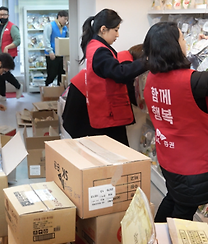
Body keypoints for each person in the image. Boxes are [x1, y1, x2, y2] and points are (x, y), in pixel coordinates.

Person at [141, 22, 208, 223]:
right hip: (191, 164)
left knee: (174, 199)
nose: (184, 41)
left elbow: (180, 73)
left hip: (169, 156)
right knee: (182, 216)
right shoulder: (191, 81)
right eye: (182, 38)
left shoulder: (152, 78)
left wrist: (201, 49)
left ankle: (155, 242)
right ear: (173, 47)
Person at [78, 8, 146, 145]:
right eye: (116, 30)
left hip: (105, 113)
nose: (118, 35)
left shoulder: (94, 46)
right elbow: (119, 73)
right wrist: (146, 62)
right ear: (103, 29)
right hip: (108, 115)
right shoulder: (100, 50)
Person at [62, 44, 142, 139]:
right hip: (84, 100)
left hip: (80, 94)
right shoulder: (126, 62)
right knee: (105, 141)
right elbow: (130, 90)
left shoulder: (121, 57)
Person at [0, 6, 22, 102]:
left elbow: (18, 40)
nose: (2, 16)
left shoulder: (12, 27)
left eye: (4, 14)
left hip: (8, 55)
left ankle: (18, 86)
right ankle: (2, 95)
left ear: (8, 15)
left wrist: (8, 47)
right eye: (0, 14)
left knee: (4, 73)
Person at [43, 10, 68, 86]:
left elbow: (67, 39)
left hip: (61, 55)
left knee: (62, 74)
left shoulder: (65, 28)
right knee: (52, 75)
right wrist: (50, 51)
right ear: (59, 17)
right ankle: (47, 92)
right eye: (65, 19)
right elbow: (46, 39)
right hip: (52, 54)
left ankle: (59, 92)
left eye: (67, 19)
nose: (66, 21)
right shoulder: (50, 26)